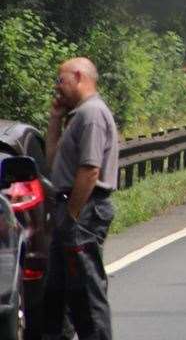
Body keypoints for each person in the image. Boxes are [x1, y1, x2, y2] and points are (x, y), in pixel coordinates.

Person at [44, 57, 118, 340]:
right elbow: (52, 163)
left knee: (85, 295)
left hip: (84, 210)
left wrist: (72, 217)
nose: (56, 87)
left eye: (60, 80)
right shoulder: (78, 116)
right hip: (71, 209)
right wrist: (54, 120)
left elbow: (89, 170)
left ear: (78, 77)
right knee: (57, 295)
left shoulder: (92, 115)